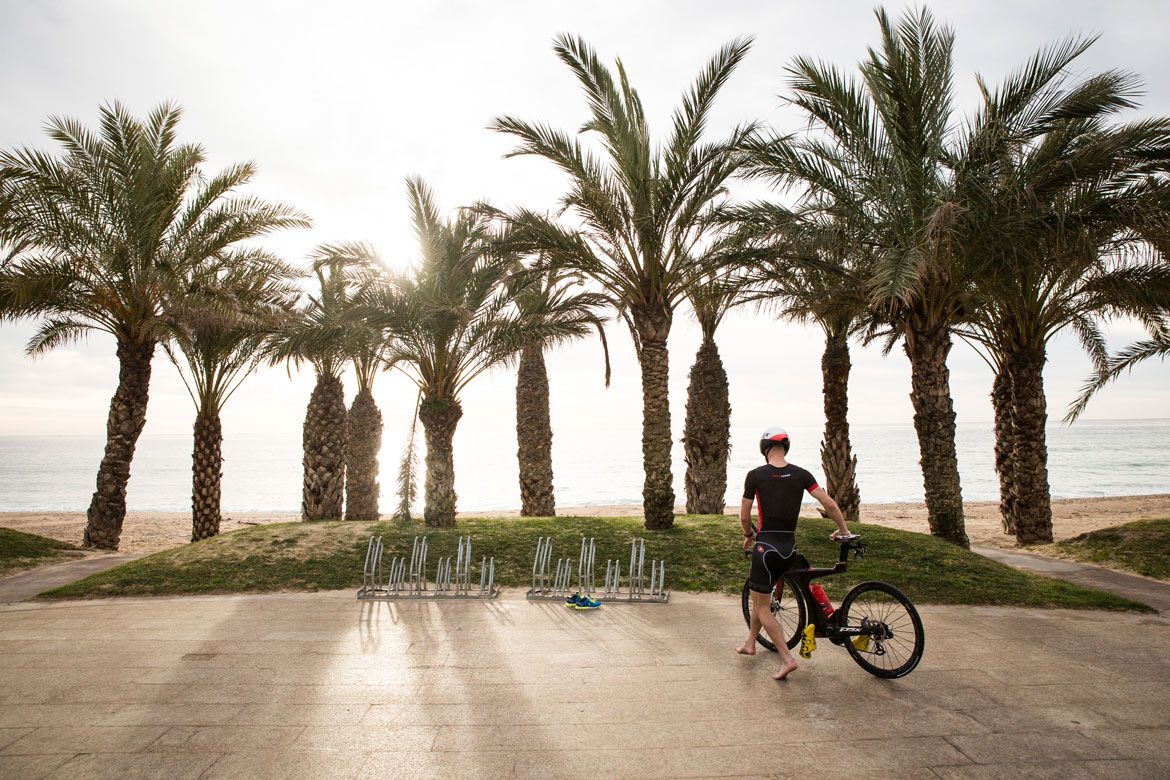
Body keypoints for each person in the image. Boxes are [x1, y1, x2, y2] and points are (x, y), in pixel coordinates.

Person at [736, 426, 851, 680]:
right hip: (789, 548)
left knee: (762, 606)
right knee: (760, 598)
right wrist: (843, 530)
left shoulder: (755, 476)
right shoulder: (801, 474)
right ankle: (750, 643)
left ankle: (787, 659)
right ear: (784, 447)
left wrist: (748, 535)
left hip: (767, 550)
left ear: (764, 449)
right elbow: (829, 504)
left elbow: (744, 515)